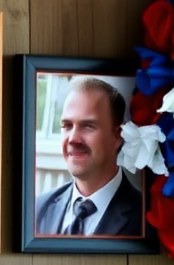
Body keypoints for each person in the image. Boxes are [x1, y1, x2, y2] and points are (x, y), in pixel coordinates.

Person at [34, 78, 144, 239]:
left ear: (117, 136)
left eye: (87, 126)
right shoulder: (39, 208)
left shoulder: (144, 217)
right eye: (67, 126)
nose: (72, 139)